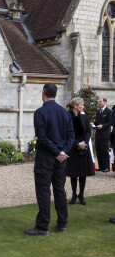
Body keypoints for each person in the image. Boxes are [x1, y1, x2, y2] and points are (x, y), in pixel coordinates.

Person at [24, 83, 75, 236]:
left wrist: (58, 152)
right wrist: (62, 151)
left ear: (43, 93)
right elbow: (70, 136)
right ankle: (62, 224)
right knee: (59, 189)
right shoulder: (64, 112)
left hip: (47, 157)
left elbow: (42, 136)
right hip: (60, 157)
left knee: (44, 190)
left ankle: (42, 226)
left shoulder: (40, 112)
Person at [65, 98, 95, 205]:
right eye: (81, 104)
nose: (83, 106)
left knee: (83, 173)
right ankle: (74, 195)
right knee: (74, 173)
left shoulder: (84, 116)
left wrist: (84, 142)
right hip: (73, 147)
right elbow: (68, 133)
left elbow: (88, 131)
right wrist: (77, 144)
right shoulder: (68, 117)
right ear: (76, 105)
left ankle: (81, 195)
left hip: (84, 146)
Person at [93, 97, 112, 172]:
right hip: (98, 134)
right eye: (99, 102)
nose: (99, 103)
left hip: (105, 135)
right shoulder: (98, 112)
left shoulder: (109, 111)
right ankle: (101, 166)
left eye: (100, 102)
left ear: (105, 102)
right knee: (98, 150)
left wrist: (103, 126)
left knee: (104, 151)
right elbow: (97, 122)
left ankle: (107, 167)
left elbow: (111, 122)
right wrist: (93, 123)